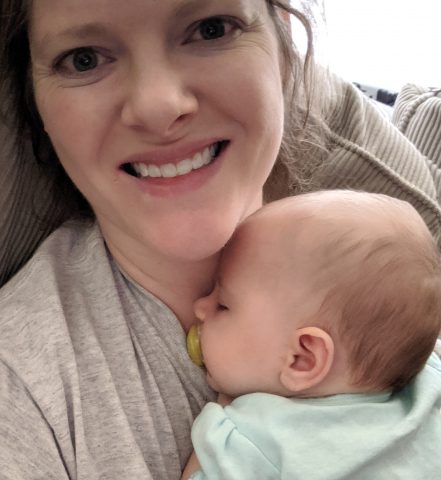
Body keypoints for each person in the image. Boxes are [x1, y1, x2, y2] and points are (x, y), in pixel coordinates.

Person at [0, 1, 440, 479]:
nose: (159, 106)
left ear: (283, 50)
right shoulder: (22, 392)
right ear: (37, 104)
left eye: (211, 29)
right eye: (83, 59)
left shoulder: (391, 279)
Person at [182, 190, 441, 480]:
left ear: (303, 358)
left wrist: (222, 412)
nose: (200, 307)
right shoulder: (429, 385)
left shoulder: (254, 441)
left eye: (222, 305)